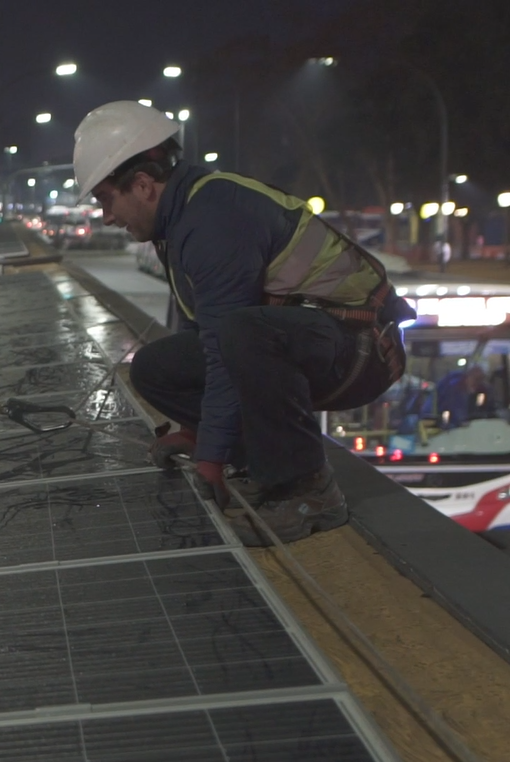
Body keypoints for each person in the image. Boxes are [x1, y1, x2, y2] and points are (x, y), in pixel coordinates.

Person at [72, 101, 413, 546]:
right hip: (313, 340)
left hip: (360, 348)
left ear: (142, 185)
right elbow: (205, 334)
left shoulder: (213, 218)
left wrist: (210, 457)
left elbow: (225, 342)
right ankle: (257, 463)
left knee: (243, 333)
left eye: (105, 199)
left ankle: (308, 490)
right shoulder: (182, 218)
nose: (107, 217)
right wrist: (201, 434)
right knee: (155, 367)